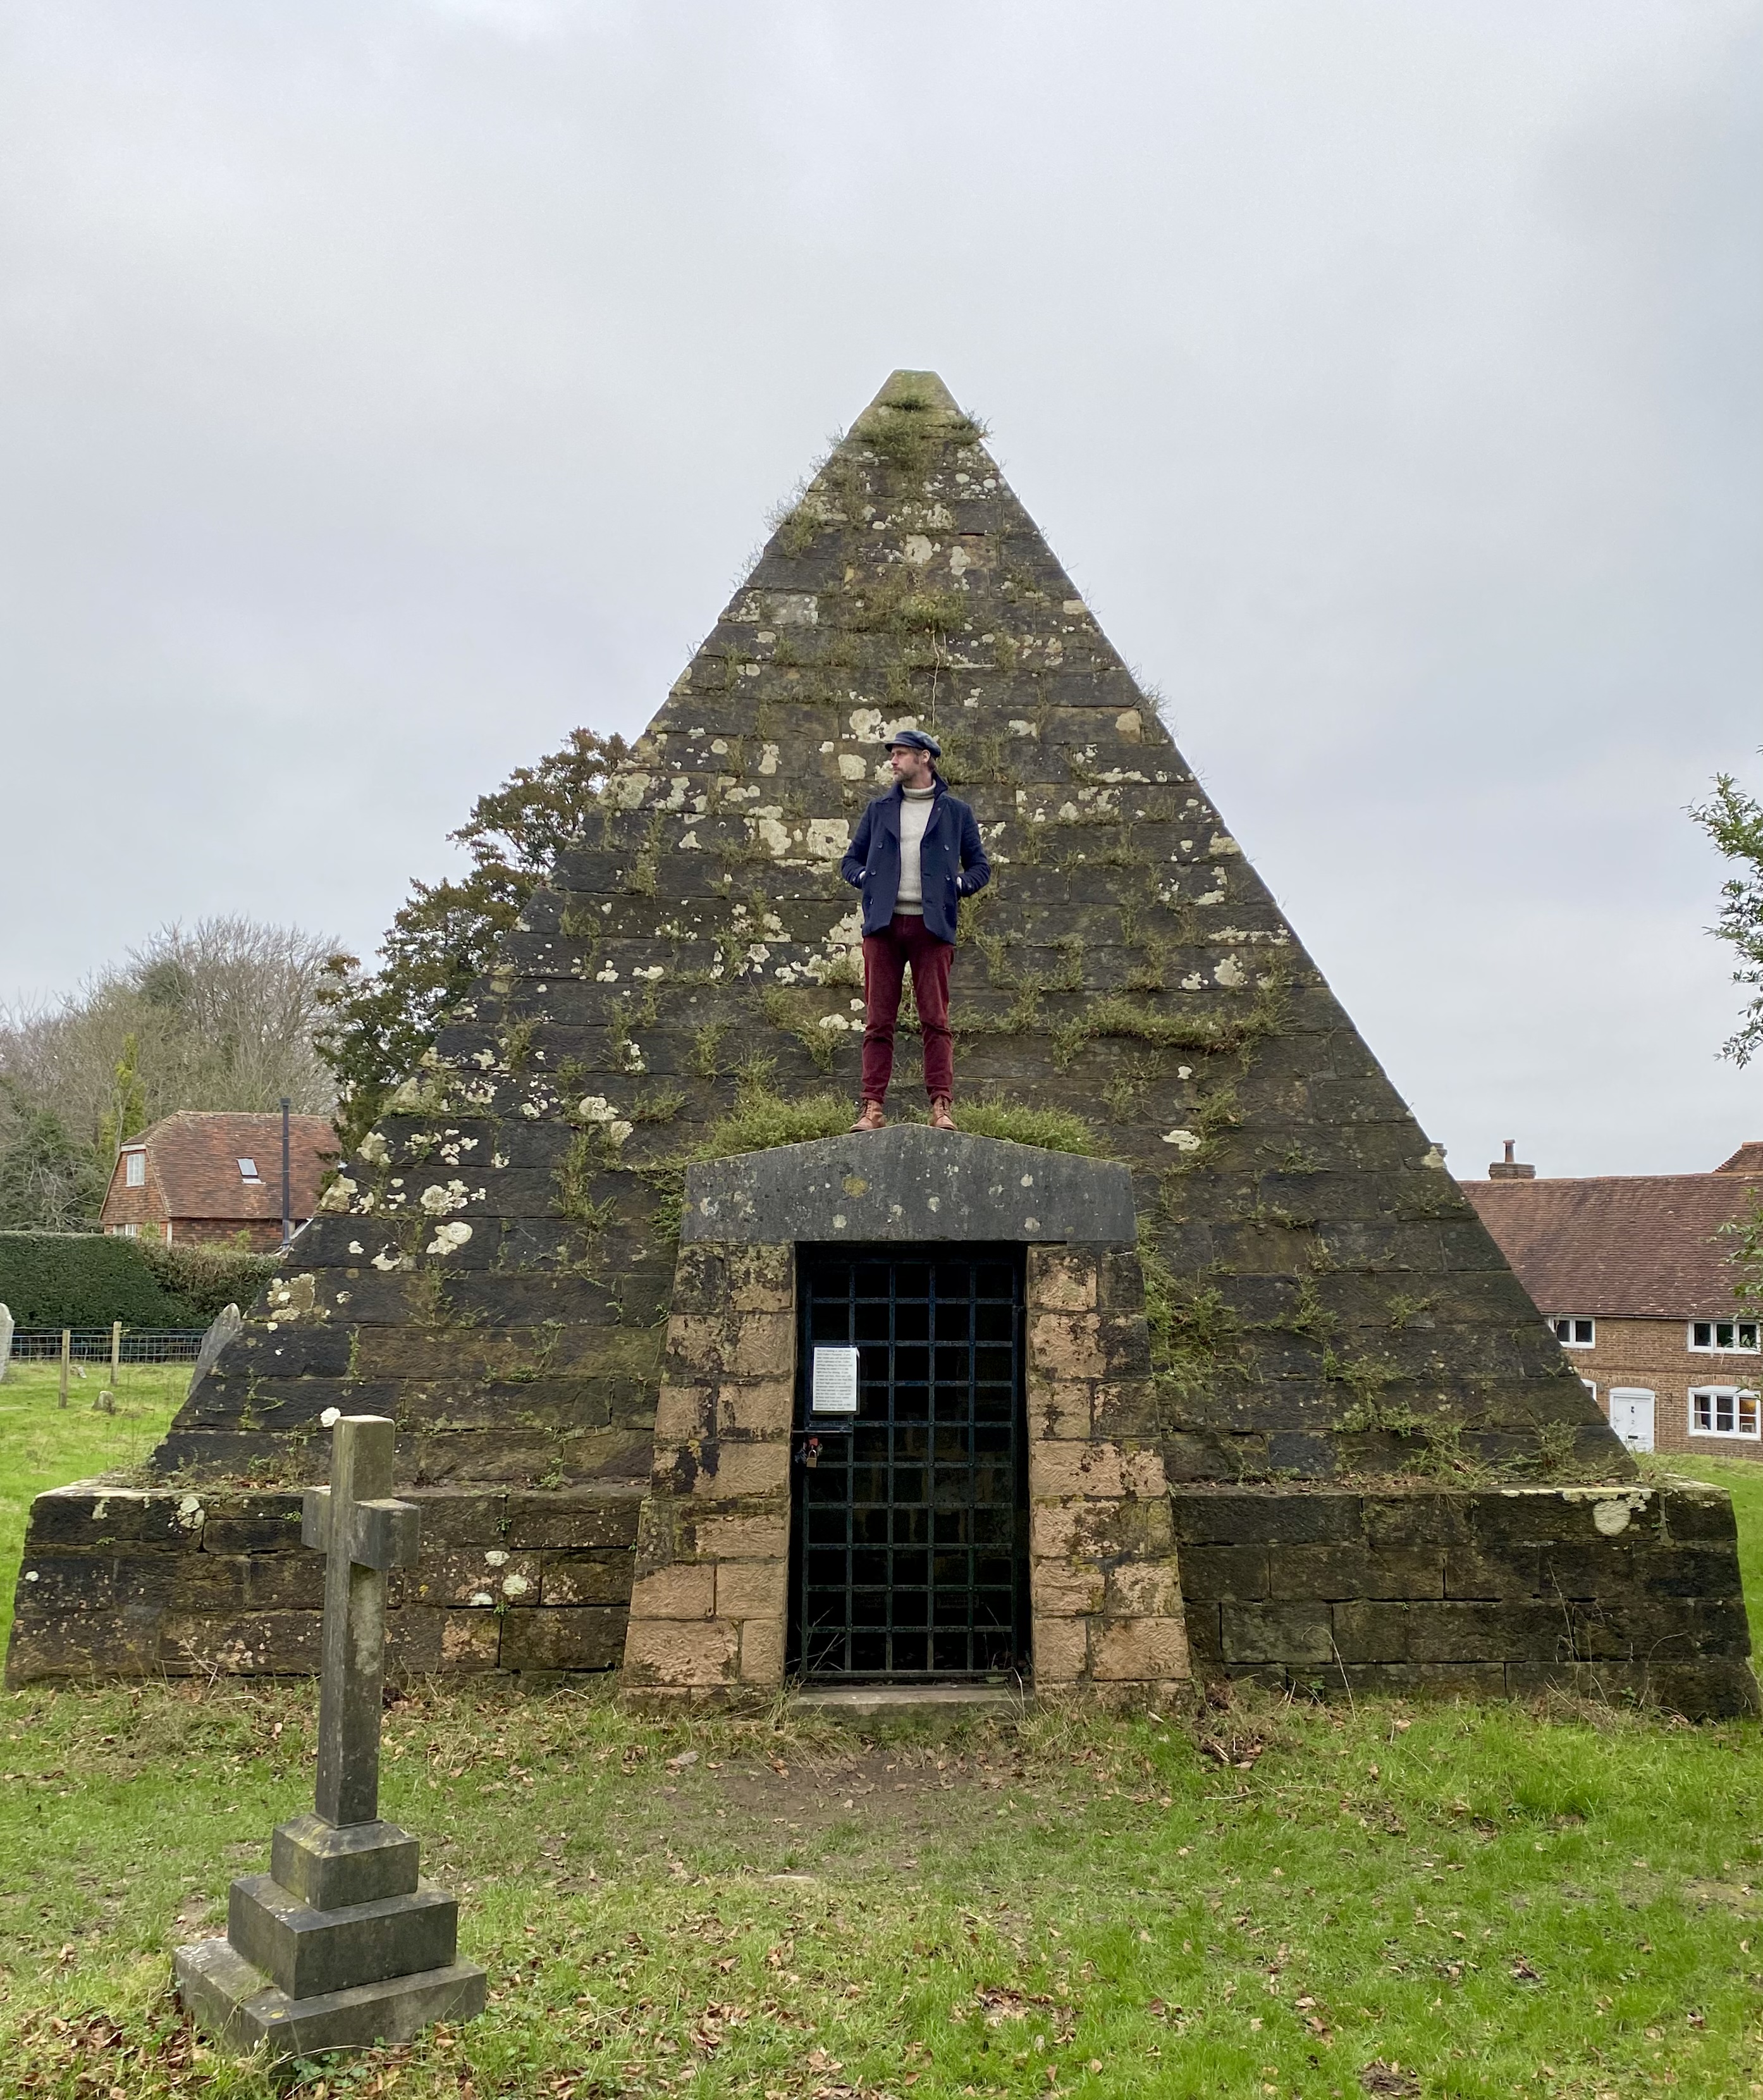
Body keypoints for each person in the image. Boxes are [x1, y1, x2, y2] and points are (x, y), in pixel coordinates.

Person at [839, 729, 990, 1132]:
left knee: (936, 1020)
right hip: (883, 928)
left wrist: (958, 886)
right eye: (892, 754)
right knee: (878, 1022)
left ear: (925, 757)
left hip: (932, 928)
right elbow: (850, 861)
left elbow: (980, 867)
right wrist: (867, 879)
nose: (893, 761)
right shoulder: (879, 809)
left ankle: (941, 1107)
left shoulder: (956, 812)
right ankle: (872, 1108)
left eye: (901, 753)